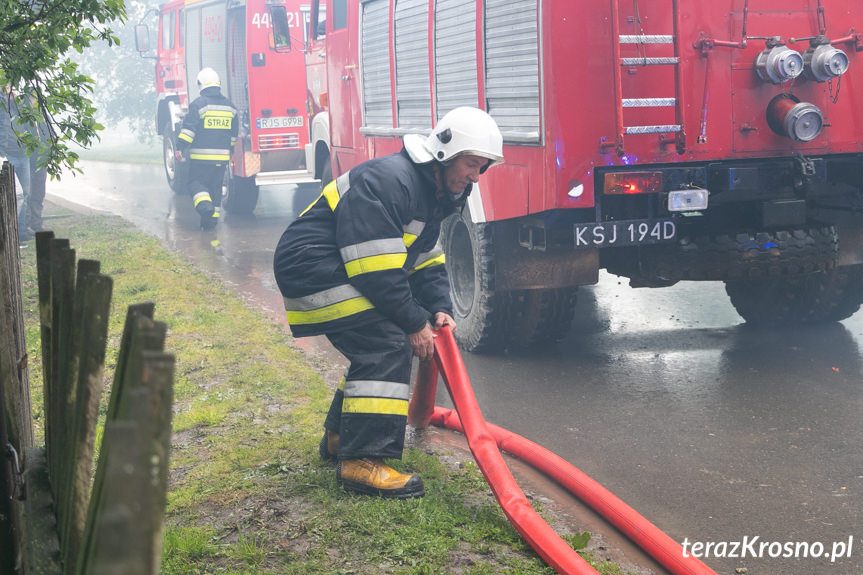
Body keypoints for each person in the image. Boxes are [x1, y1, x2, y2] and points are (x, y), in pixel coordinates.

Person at [273, 107, 504, 498]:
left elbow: (424, 259)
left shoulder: (432, 193)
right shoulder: (389, 182)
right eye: (471, 165)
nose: (475, 177)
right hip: (311, 270)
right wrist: (414, 323)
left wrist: (438, 307)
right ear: (444, 154)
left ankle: (339, 438)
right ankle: (362, 462)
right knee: (387, 341)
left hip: (335, 268)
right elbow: (375, 269)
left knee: (376, 344)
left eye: (482, 168)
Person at [175, 68, 238, 230]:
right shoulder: (230, 107)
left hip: (201, 159)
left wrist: (180, 147)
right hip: (221, 159)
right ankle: (211, 221)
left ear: (201, 85)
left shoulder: (199, 105)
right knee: (215, 188)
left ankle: (205, 208)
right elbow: (233, 134)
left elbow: (189, 130)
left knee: (195, 183)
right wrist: (230, 150)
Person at [0, 90, 35, 241]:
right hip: (9, 156)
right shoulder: (3, 109)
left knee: (25, 193)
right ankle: (11, 232)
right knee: (13, 194)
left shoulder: (20, 107)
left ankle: (21, 232)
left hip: (23, 155)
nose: (10, 92)